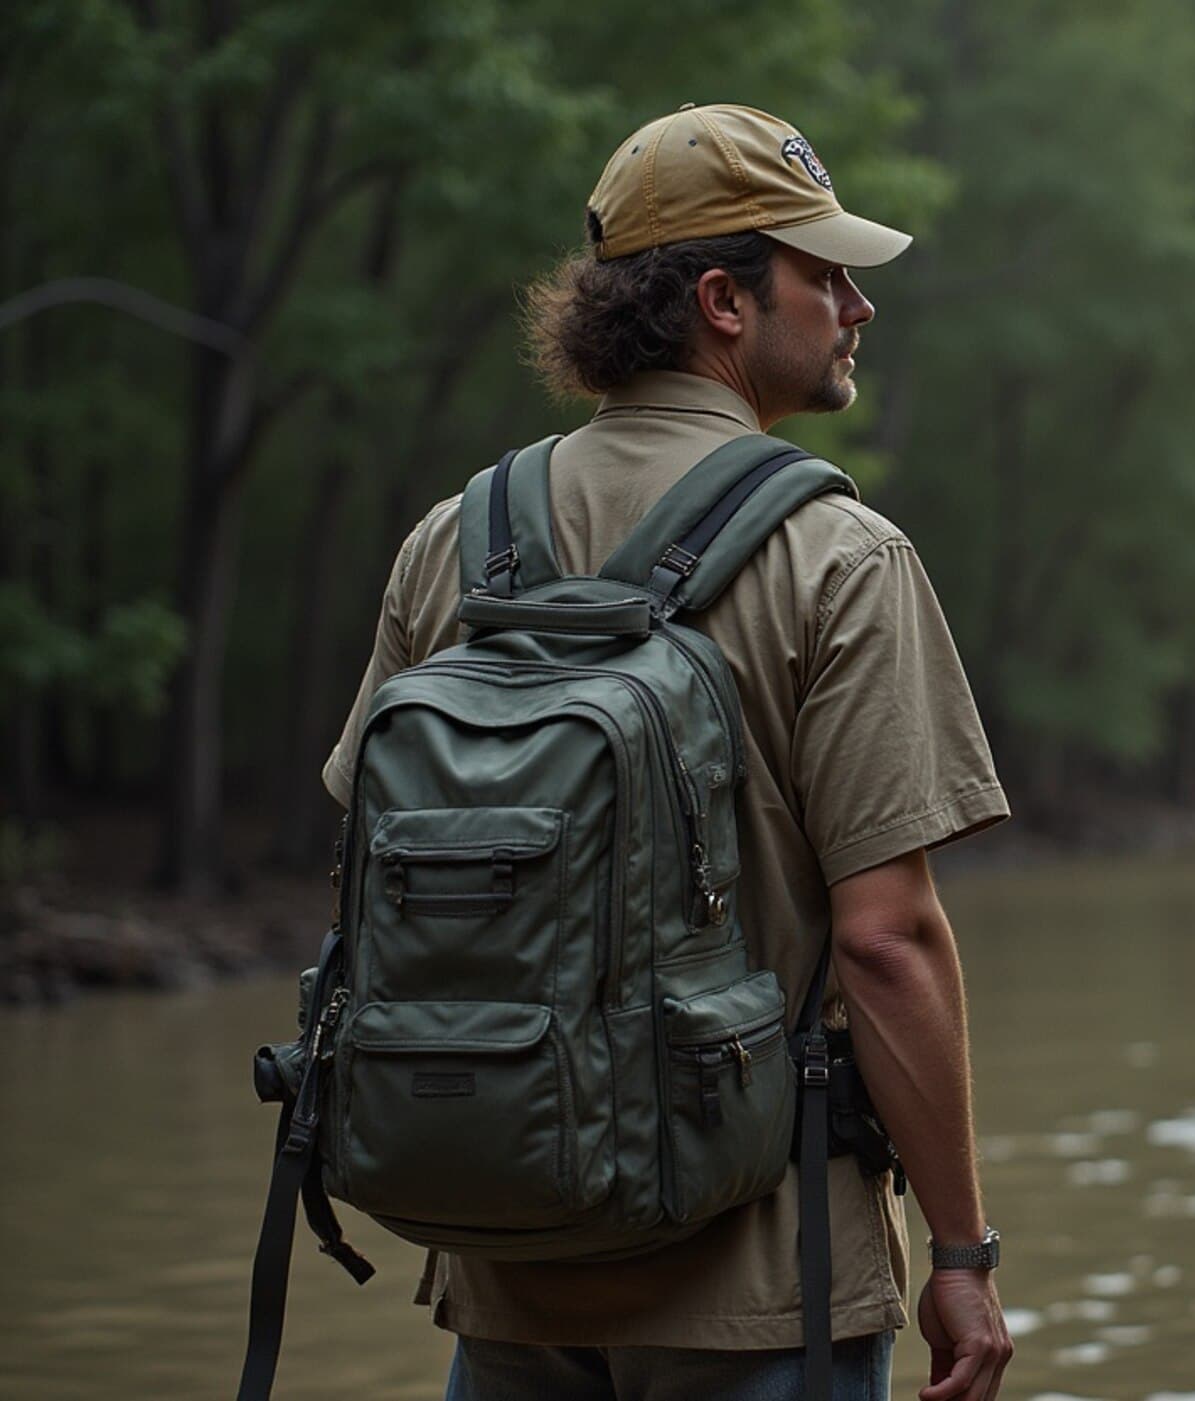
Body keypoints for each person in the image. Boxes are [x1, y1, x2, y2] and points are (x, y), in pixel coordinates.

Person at [321, 102, 1015, 1401]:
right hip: (764, 1279)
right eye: (826, 274)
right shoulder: (839, 558)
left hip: (504, 1262)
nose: (857, 306)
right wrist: (964, 1250)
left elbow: (373, 869)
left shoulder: (454, 542)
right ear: (723, 300)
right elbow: (886, 940)